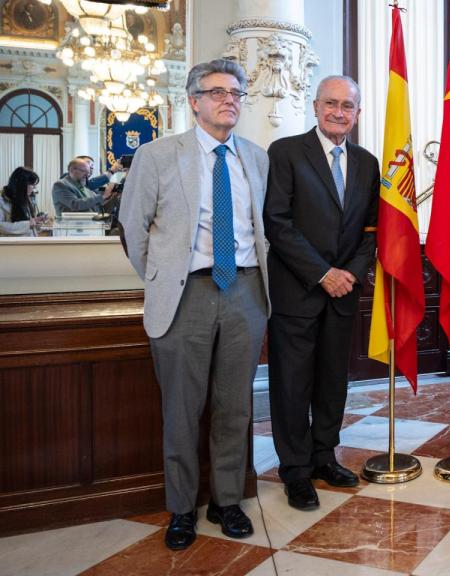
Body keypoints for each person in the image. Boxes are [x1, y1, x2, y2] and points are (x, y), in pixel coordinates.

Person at [121, 58, 270, 551]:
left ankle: (227, 501)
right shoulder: (159, 155)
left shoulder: (256, 156)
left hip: (246, 290)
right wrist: (165, 279)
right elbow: (133, 230)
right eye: (218, 92)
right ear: (194, 100)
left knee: (234, 408)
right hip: (186, 293)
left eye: (236, 92)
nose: (230, 99)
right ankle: (182, 508)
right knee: (182, 409)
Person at [263, 75, 380, 511]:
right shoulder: (287, 152)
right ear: (315, 107)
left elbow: (371, 230)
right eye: (331, 103)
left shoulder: (368, 163)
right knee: (292, 385)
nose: (338, 112)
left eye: (347, 106)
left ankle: (323, 456)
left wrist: (347, 273)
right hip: (298, 291)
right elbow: (277, 222)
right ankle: (294, 471)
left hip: (344, 293)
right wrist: (322, 273)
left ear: (357, 113)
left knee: (333, 382)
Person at [1, 167, 46, 236]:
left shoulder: (23, 198)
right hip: (12, 245)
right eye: (32, 184)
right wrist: (28, 224)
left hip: (27, 242)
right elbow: (1, 226)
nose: (34, 188)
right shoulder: (2, 200)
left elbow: (27, 223)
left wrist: (36, 223)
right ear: (22, 184)